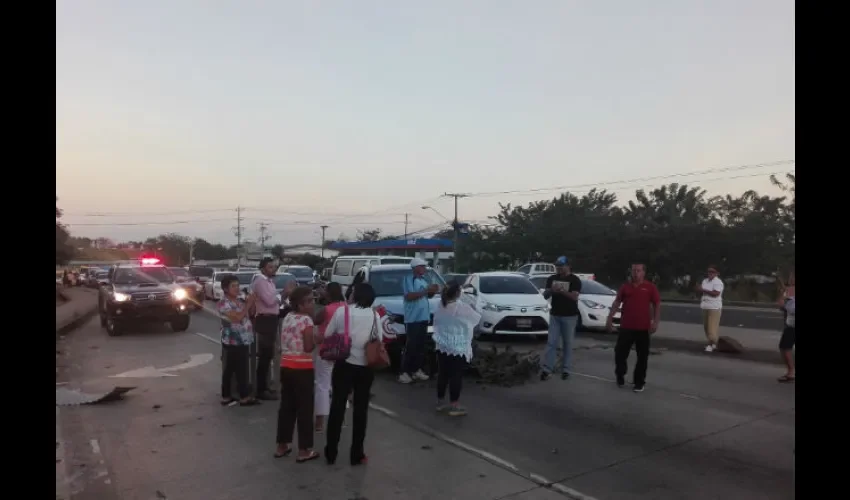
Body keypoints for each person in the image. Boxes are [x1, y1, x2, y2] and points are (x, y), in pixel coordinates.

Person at [324, 283, 382, 466]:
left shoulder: (342, 312)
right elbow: (378, 338)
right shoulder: (374, 314)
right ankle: (357, 454)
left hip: (344, 363)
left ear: (354, 295)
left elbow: (327, 334)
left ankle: (331, 452)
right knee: (361, 410)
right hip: (365, 366)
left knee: (337, 407)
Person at [275, 286, 320, 462]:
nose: (313, 303)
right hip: (302, 368)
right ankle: (304, 449)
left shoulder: (288, 317)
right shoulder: (307, 321)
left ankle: (282, 445)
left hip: (286, 365)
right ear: (300, 305)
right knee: (304, 409)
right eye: (309, 301)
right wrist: (317, 339)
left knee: (286, 407)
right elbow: (308, 347)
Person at [606, 263, 661, 393]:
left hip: (643, 328)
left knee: (642, 357)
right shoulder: (625, 287)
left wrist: (656, 322)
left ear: (643, 273)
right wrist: (609, 319)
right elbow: (617, 302)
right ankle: (620, 374)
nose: (635, 273)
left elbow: (657, 303)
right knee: (619, 353)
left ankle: (639, 382)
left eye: (638, 271)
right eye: (633, 271)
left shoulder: (650, 287)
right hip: (626, 327)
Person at [432, 282, 481, 416]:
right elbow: (476, 318)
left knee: (443, 374)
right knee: (455, 376)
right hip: (458, 346)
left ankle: (440, 402)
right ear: (458, 293)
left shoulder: (441, 306)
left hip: (442, 344)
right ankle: (454, 405)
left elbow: (436, 323)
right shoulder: (461, 307)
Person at [216, 275, 260, 406]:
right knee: (236, 368)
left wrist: (251, 302)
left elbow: (250, 314)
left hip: (244, 338)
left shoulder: (239, 301)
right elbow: (237, 318)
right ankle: (241, 395)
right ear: (225, 288)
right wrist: (248, 305)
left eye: (237, 285)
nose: (237, 288)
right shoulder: (223, 303)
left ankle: (230, 395)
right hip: (232, 340)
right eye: (233, 286)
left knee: (237, 367)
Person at [540, 256, 582, 381]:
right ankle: (547, 369)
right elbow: (545, 295)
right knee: (551, 342)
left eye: (561, 266)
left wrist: (561, 291)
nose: (558, 268)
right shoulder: (552, 278)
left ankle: (566, 369)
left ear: (568, 266)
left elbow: (574, 297)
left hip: (569, 316)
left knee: (567, 343)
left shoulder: (575, 280)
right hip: (555, 315)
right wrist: (551, 290)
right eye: (557, 266)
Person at [398, 258, 439, 384]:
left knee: (421, 346)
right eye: (423, 266)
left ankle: (416, 370)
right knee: (411, 346)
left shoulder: (423, 280)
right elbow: (409, 296)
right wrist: (426, 290)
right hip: (413, 318)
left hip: (423, 317)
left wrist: (432, 290)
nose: (425, 269)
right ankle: (403, 372)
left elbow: (427, 295)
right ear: (416, 267)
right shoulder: (409, 279)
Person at [313, 282, 346, 433]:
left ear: (328, 294)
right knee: (340, 385)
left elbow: (314, 319)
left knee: (322, 385)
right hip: (343, 351)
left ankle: (319, 422)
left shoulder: (326, 309)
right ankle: (341, 419)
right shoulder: (347, 308)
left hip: (326, 350)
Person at [252, 257, 281, 400]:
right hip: (265, 320)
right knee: (264, 356)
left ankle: (265, 387)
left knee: (268, 355)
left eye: (274, 267)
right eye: (270, 267)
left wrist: (278, 298)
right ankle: (261, 390)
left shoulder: (269, 282)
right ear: (263, 268)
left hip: (271, 319)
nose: (273, 269)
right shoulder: (260, 281)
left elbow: (274, 300)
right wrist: (281, 296)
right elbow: (270, 301)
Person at [697, 265, 724, 353]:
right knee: (706, 327)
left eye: (712, 272)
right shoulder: (705, 281)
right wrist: (699, 289)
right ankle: (712, 343)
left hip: (714, 307)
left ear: (716, 273)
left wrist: (703, 290)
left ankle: (711, 344)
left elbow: (716, 293)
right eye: (709, 271)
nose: (710, 273)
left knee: (712, 328)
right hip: (705, 306)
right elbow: (701, 290)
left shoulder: (718, 282)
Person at [777, 285, 795, 383]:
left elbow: (792, 310)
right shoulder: (789, 291)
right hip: (791, 325)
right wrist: (782, 296)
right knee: (784, 347)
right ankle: (790, 371)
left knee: (785, 347)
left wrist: (786, 300)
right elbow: (781, 306)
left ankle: (791, 371)